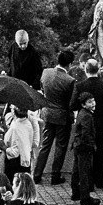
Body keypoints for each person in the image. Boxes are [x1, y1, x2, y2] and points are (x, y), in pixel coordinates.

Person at [34, 50, 79, 185]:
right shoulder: (70, 80)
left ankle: (37, 173)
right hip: (62, 116)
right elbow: (72, 102)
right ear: (70, 64)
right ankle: (55, 175)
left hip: (47, 113)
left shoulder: (45, 72)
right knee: (60, 146)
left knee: (45, 144)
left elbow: (42, 89)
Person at [68, 95, 102, 205]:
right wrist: (91, 145)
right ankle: (85, 197)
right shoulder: (87, 116)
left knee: (77, 170)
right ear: (83, 104)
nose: (93, 104)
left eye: (93, 101)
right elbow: (86, 133)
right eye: (89, 102)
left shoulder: (81, 113)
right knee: (84, 172)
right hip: (84, 146)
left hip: (78, 145)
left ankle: (76, 192)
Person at [2, 103, 38, 180]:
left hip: (15, 164)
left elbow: (14, 152)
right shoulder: (28, 124)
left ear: (14, 111)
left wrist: (3, 147)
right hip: (26, 161)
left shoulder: (15, 127)